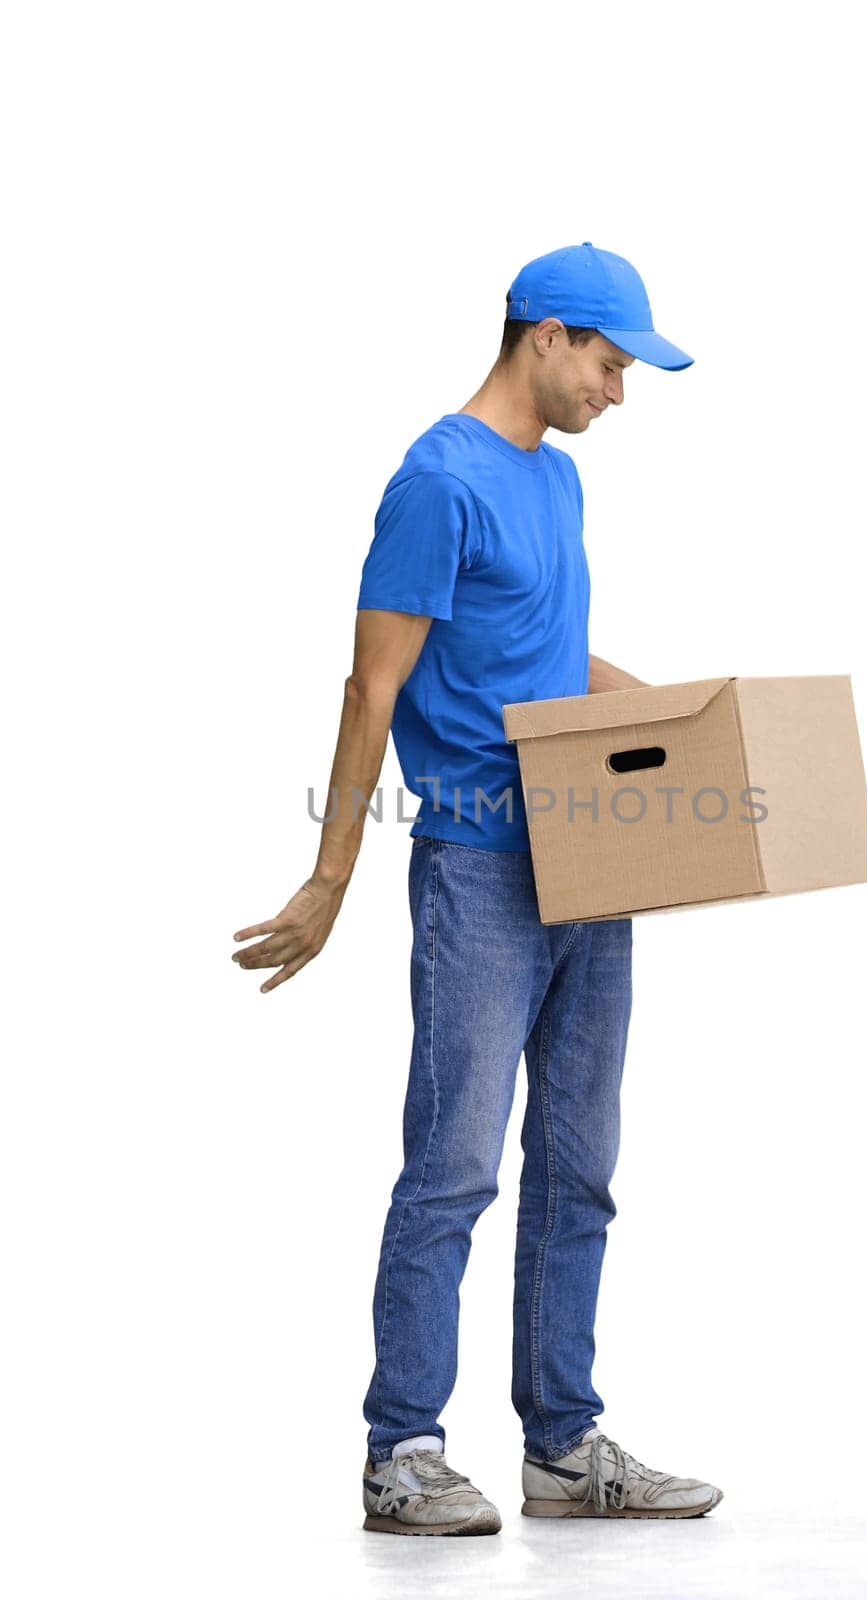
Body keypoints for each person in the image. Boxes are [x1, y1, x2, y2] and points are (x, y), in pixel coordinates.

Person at [232, 242, 724, 1535]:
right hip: (477, 867)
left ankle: (564, 1452)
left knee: (581, 1166)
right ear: (546, 336)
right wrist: (332, 874)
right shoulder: (437, 482)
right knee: (452, 1170)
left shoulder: (556, 484)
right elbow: (371, 690)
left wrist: (706, 721)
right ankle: (403, 1451)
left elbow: (553, 654)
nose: (620, 390)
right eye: (612, 363)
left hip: (590, 854)